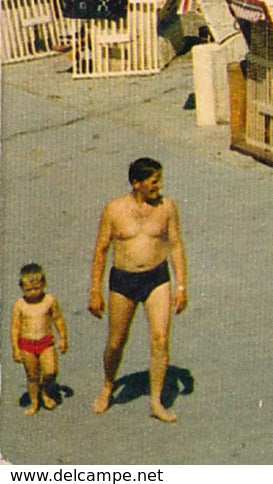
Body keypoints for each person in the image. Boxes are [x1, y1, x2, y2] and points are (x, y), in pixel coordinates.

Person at [89, 157, 188, 422]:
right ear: (137, 183)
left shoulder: (167, 207)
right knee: (116, 342)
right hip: (123, 281)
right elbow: (101, 250)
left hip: (157, 278)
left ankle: (156, 402)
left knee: (160, 340)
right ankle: (108, 384)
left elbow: (176, 245)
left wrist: (181, 285)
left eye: (160, 180)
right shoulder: (114, 209)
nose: (159, 186)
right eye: (154, 182)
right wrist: (95, 291)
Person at [11, 264, 67, 414]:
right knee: (32, 375)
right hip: (26, 344)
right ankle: (34, 401)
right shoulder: (20, 305)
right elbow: (15, 328)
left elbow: (58, 319)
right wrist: (15, 349)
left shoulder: (49, 300)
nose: (33, 292)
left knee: (51, 371)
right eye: (28, 290)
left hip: (45, 342)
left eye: (37, 288)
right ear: (22, 288)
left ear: (44, 284)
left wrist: (63, 338)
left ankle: (45, 391)